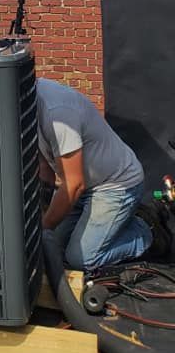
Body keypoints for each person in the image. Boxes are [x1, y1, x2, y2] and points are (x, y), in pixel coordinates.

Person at [37, 77, 169, 272]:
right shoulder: (27, 106)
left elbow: (73, 185)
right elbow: (44, 168)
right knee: (55, 246)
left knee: (81, 259)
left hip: (115, 185)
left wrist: (44, 228)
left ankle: (146, 230)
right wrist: (42, 213)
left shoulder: (57, 113)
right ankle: (117, 225)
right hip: (84, 186)